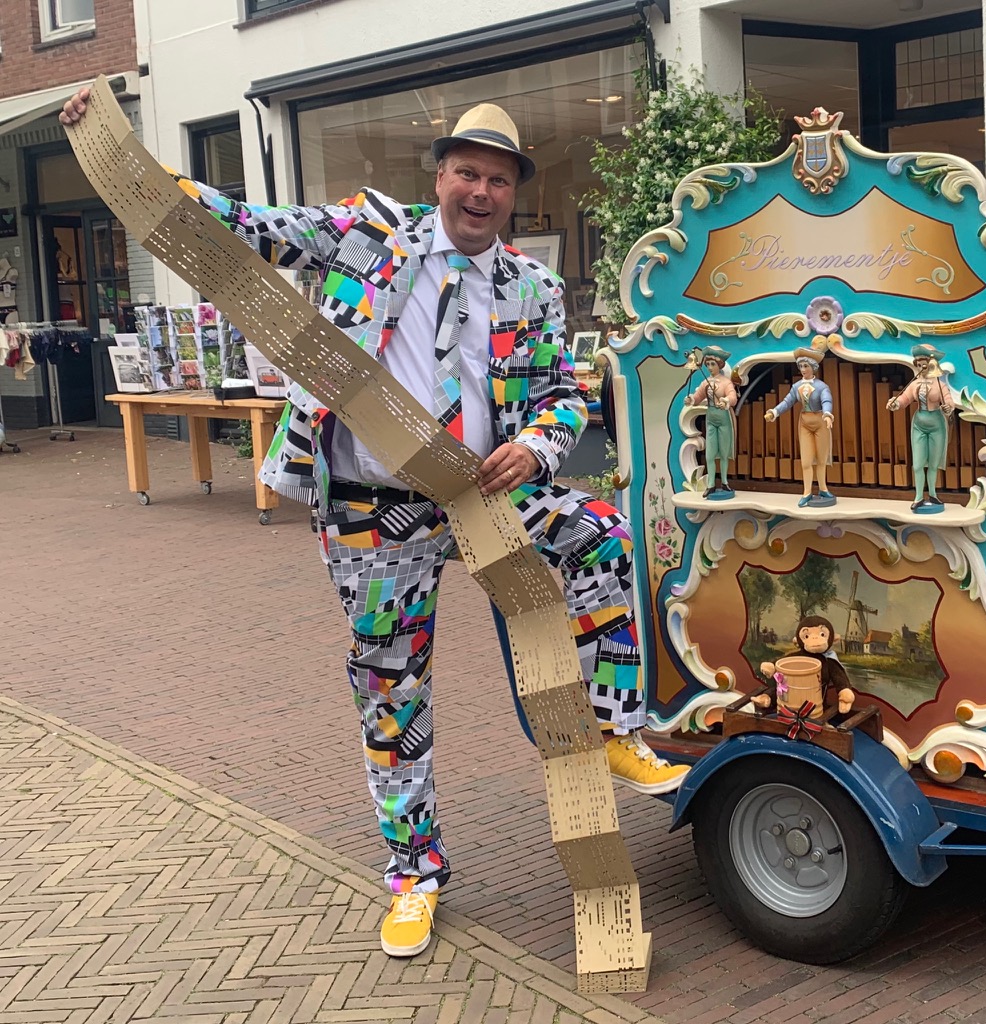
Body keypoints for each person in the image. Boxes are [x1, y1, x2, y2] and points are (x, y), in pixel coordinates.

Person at [62, 89, 688, 959]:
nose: (480, 191)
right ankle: (414, 876)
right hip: (372, 513)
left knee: (604, 537)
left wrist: (540, 451)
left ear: (513, 195)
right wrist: (126, 163)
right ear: (440, 177)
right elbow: (249, 225)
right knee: (392, 695)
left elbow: (560, 395)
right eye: (467, 172)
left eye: (498, 180)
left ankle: (614, 728)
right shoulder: (369, 233)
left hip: (484, 493)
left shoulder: (533, 285)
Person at [887, 343, 955, 513]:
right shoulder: (915, 384)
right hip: (919, 423)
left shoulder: (939, 384)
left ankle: (932, 494)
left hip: (936, 424)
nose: (921, 367)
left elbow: (948, 400)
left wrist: (948, 407)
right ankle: (918, 497)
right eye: (918, 364)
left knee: (933, 463)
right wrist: (895, 404)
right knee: (918, 464)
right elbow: (905, 398)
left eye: (924, 363)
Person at [765, 349, 835, 507]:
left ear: (813, 367)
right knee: (806, 461)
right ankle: (807, 492)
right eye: (801, 366)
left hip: (820, 421)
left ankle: (823, 488)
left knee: (821, 459)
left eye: (806, 366)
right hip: (804, 422)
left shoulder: (822, 386)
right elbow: (787, 401)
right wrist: (774, 412)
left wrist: (828, 414)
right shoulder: (796, 386)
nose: (803, 370)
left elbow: (826, 400)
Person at [684, 345, 737, 498]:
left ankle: (725, 482)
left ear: (719, 365)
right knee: (710, 454)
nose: (709, 367)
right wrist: (691, 399)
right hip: (711, 419)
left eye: (712, 364)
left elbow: (732, 396)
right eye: (707, 364)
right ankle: (711, 484)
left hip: (723, 419)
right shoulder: (706, 383)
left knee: (724, 453)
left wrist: (726, 401)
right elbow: (698, 396)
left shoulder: (726, 382)